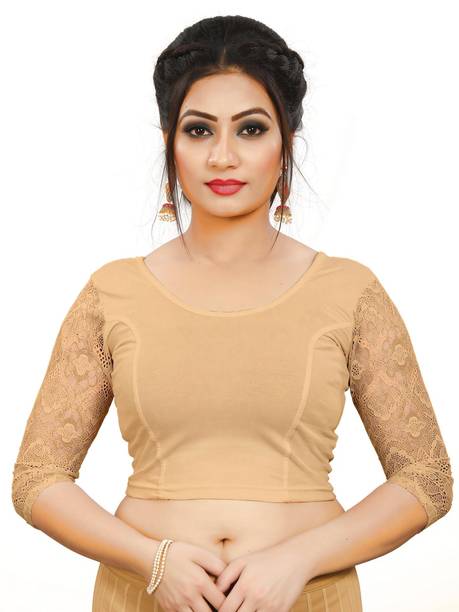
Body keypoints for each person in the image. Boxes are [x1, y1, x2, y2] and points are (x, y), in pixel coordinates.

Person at [11, 14, 453, 612]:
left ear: (285, 142)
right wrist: (153, 562)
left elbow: (426, 477)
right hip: (143, 597)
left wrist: (299, 560)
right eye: (198, 130)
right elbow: (37, 477)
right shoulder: (111, 293)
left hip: (307, 598)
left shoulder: (350, 292)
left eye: (250, 129)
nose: (223, 156)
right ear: (169, 143)